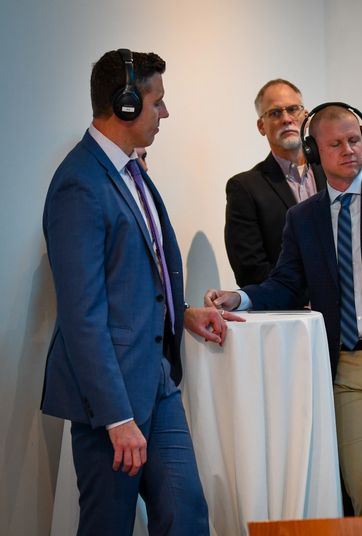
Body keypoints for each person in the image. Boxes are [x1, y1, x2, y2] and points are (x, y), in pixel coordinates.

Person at [205, 103, 362, 516]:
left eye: (355, 140)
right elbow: (287, 284)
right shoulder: (302, 218)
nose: (349, 150)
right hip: (346, 369)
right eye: (336, 143)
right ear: (313, 151)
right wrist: (243, 297)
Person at [41, 49, 241, 535]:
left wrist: (184, 312)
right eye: (157, 103)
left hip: (158, 381)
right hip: (112, 401)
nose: (165, 114)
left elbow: (138, 275)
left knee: (187, 515)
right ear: (125, 105)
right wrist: (115, 418)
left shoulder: (130, 171)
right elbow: (83, 316)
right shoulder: (79, 184)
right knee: (108, 525)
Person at [224, 79, 327, 286]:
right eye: (275, 113)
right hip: (293, 312)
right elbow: (250, 271)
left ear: (305, 117)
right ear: (262, 126)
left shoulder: (333, 173)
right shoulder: (244, 188)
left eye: (292, 109)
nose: (286, 119)